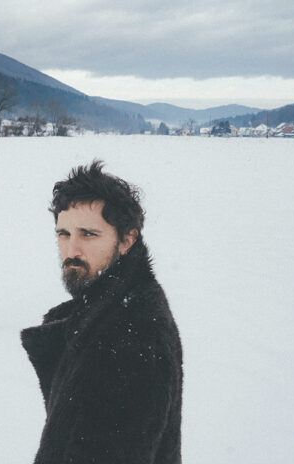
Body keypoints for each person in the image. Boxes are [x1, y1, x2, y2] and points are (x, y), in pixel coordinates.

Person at [21, 161, 183, 463]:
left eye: (89, 234)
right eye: (64, 234)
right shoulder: (119, 304)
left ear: (127, 240)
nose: (71, 251)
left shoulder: (129, 342)